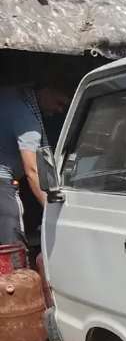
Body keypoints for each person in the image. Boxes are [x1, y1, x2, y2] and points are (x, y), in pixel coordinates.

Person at [0, 83, 71, 246]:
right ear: (47, 90)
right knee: (12, 245)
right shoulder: (27, 119)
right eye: (59, 103)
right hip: (2, 183)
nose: (59, 110)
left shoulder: (10, 94)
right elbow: (32, 171)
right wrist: (52, 213)